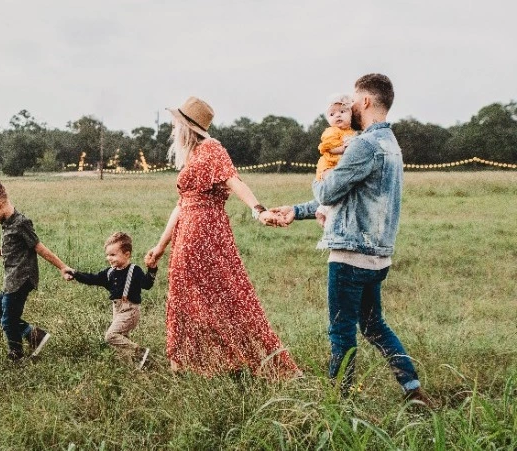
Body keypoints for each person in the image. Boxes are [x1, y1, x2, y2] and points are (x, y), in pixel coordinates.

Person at [271, 74, 435, 406]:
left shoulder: (363, 145)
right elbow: (349, 197)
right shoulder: (390, 144)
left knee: (341, 331)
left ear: (366, 102)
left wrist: (319, 176)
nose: (349, 106)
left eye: (354, 101)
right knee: (374, 327)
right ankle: (413, 390)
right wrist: (296, 210)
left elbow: (329, 190)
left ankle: (339, 403)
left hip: (350, 255)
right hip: (377, 256)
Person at [144, 96, 300, 378]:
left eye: (175, 125)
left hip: (205, 232)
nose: (172, 130)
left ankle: (236, 360)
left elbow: (234, 180)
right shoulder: (193, 156)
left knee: (226, 296)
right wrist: (160, 246)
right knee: (185, 298)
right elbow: (181, 206)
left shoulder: (211, 149)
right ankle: (192, 363)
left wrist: (259, 210)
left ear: (187, 127)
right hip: (187, 234)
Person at [0, 178, 73, 362]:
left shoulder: (21, 223)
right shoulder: (7, 222)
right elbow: (13, 247)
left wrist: (62, 267)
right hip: (11, 279)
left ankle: (16, 355)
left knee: (8, 319)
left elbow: (39, 247)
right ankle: (35, 336)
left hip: (21, 279)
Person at [65, 232, 157, 369]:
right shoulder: (110, 272)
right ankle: (132, 367)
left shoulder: (134, 270)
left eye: (113, 255)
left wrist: (152, 269)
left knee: (111, 336)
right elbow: (93, 279)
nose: (109, 258)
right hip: (117, 309)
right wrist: (75, 273)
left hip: (130, 310)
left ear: (127, 254)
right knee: (121, 339)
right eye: (107, 255)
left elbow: (147, 285)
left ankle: (140, 353)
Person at [315, 94, 357, 226]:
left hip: (339, 165)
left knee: (342, 189)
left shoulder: (352, 132)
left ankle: (323, 209)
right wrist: (343, 149)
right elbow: (329, 148)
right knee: (334, 184)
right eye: (332, 114)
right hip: (328, 165)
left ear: (351, 115)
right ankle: (324, 211)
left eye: (342, 112)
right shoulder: (331, 131)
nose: (337, 116)